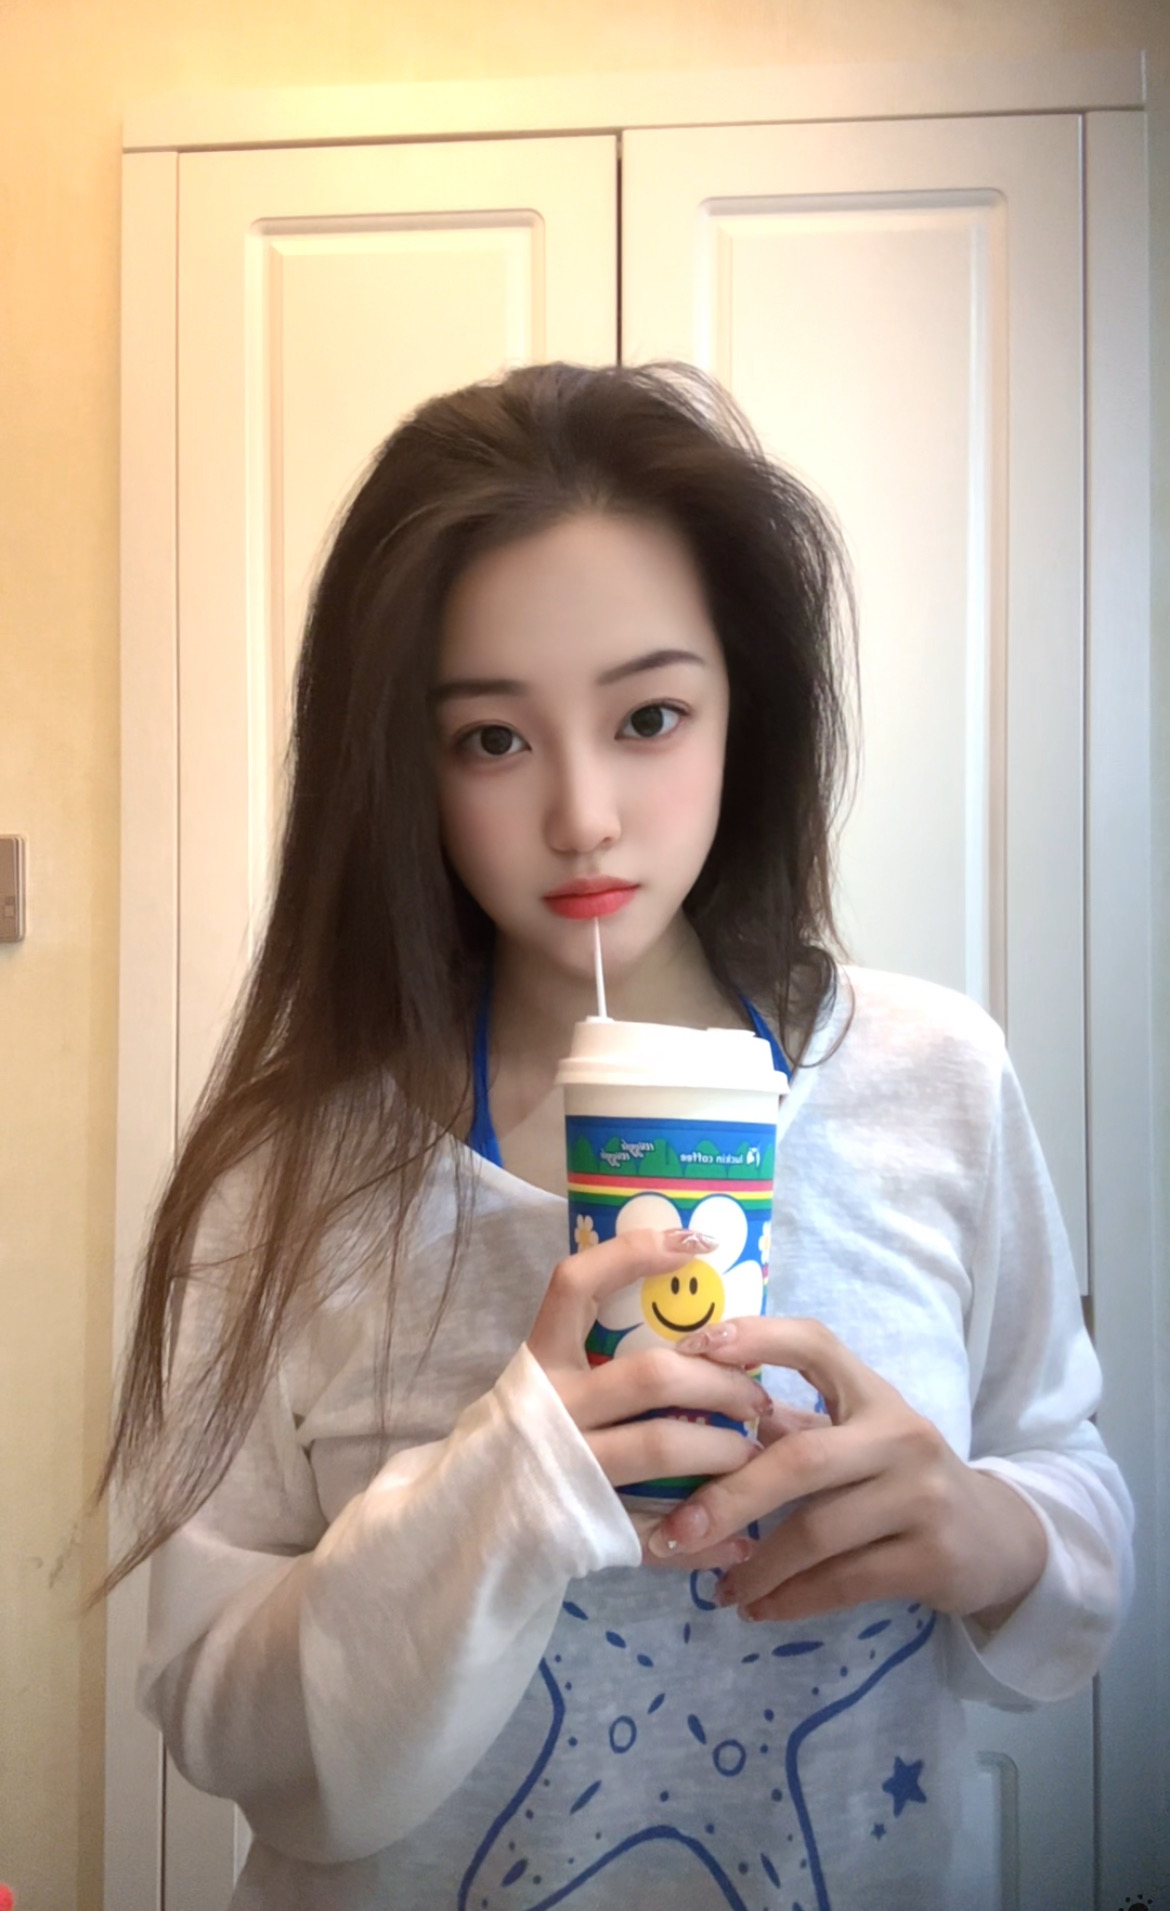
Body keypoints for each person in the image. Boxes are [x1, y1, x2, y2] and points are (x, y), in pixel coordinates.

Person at [99, 362, 1132, 1911]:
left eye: (648, 717)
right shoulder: (290, 1173)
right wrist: (505, 1491)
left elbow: (1070, 1490)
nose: (582, 813)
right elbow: (225, 1727)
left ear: (743, 711)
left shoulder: (936, 1078)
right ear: (400, 764)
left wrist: (990, 1533)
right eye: (490, 740)